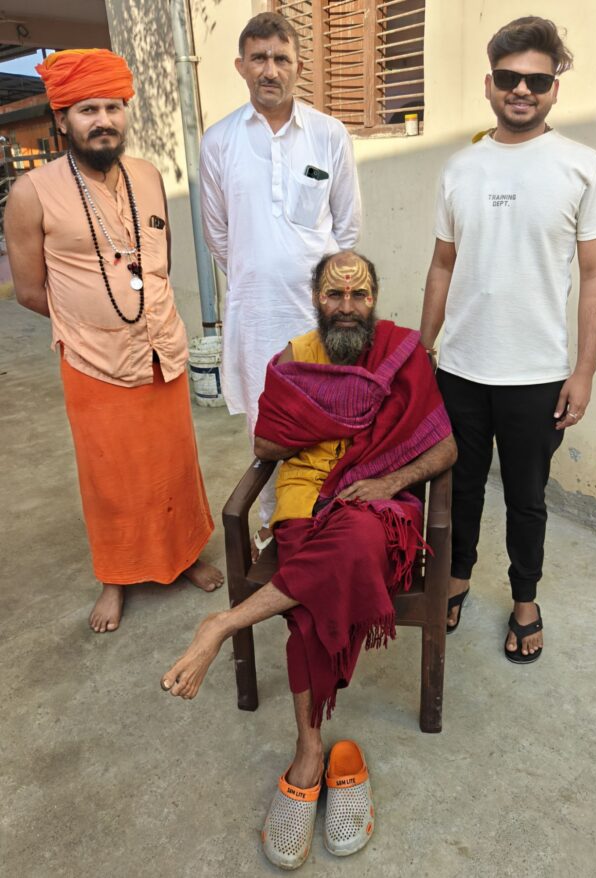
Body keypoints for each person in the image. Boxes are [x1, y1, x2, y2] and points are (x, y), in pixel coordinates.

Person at [161, 251, 456, 869]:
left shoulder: (402, 354)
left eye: (359, 295)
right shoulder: (295, 359)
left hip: (377, 502)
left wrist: (388, 480)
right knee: (314, 594)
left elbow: (445, 448)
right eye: (334, 295)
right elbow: (267, 440)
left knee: (353, 546)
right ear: (316, 298)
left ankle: (228, 630)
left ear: (374, 298)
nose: (347, 307)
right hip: (305, 501)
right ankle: (313, 747)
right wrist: (334, 416)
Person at [5, 49, 223, 634]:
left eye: (112, 107)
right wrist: (90, 320)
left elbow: (158, 258)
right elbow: (29, 290)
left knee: (174, 464)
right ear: (61, 119)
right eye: (87, 110)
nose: (103, 120)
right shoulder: (31, 193)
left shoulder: (148, 176)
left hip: (162, 348)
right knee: (110, 476)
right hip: (92, 361)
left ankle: (184, 556)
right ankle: (117, 576)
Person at [420, 17, 596, 662]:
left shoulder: (583, 168)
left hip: (536, 374)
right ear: (489, 84)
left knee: (528, 498)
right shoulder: (460, 168)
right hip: (461, 367)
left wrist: (583, 371)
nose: (522, 90)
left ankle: (525, 598)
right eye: (509, 78)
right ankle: (456, 577)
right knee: (460, 488)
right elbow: (443, 264)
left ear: (554, 88)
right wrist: (424, 348)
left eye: (536, 79)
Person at [199, 12, 361, 557]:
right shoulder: (219, 140)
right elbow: (218, 234)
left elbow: (347, 228)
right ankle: (276, 526)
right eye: (259, 58)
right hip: (255, 315)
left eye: (281, 59)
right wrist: (259, 274)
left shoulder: (329, 134)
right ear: (241, 65)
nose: (270, 70)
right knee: (266, 427)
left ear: (298, 66)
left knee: (329, 418)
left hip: (318, 316)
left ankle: (328, 518)